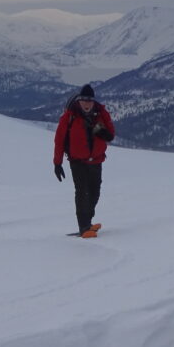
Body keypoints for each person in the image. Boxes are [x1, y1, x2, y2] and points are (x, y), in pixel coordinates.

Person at [54, 84, 115, 238]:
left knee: (95, 192)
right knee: (82, 192)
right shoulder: (69, 116)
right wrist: (57, 163)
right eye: (84, 100)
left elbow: (111, 134)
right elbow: (59, 140)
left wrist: (99, 130)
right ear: (79, 100)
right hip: (77, 161)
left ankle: (87, 221)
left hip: (96, 160)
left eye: (90, 100)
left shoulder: (101, 113)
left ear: (93, 101)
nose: (87, 103)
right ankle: (83, 227)